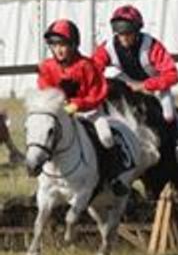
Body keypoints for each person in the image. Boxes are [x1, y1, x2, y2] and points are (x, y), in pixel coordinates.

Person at [37, 19, 129, 196]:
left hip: (90, 112)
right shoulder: (47, 67)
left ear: (73, 45)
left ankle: (114, 176)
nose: (59, 50)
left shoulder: (87, 65)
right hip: (61, 115)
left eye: (63, 45)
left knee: (107, 136)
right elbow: (45, 90)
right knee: (43, 136)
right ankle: (43, 179)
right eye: (54, 45)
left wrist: (78, 104)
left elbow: (97, 93)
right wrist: (59, 106)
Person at [92, 5, 178, 165]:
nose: (124, 38)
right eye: (120, 34)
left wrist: (145, 85)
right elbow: (93, 70)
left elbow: (172, 74)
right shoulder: (108, 47)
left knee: (168, 112)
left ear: (137, 31)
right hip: (126, 82)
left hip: (154, 83)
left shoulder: (152, 46)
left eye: (128, 34)